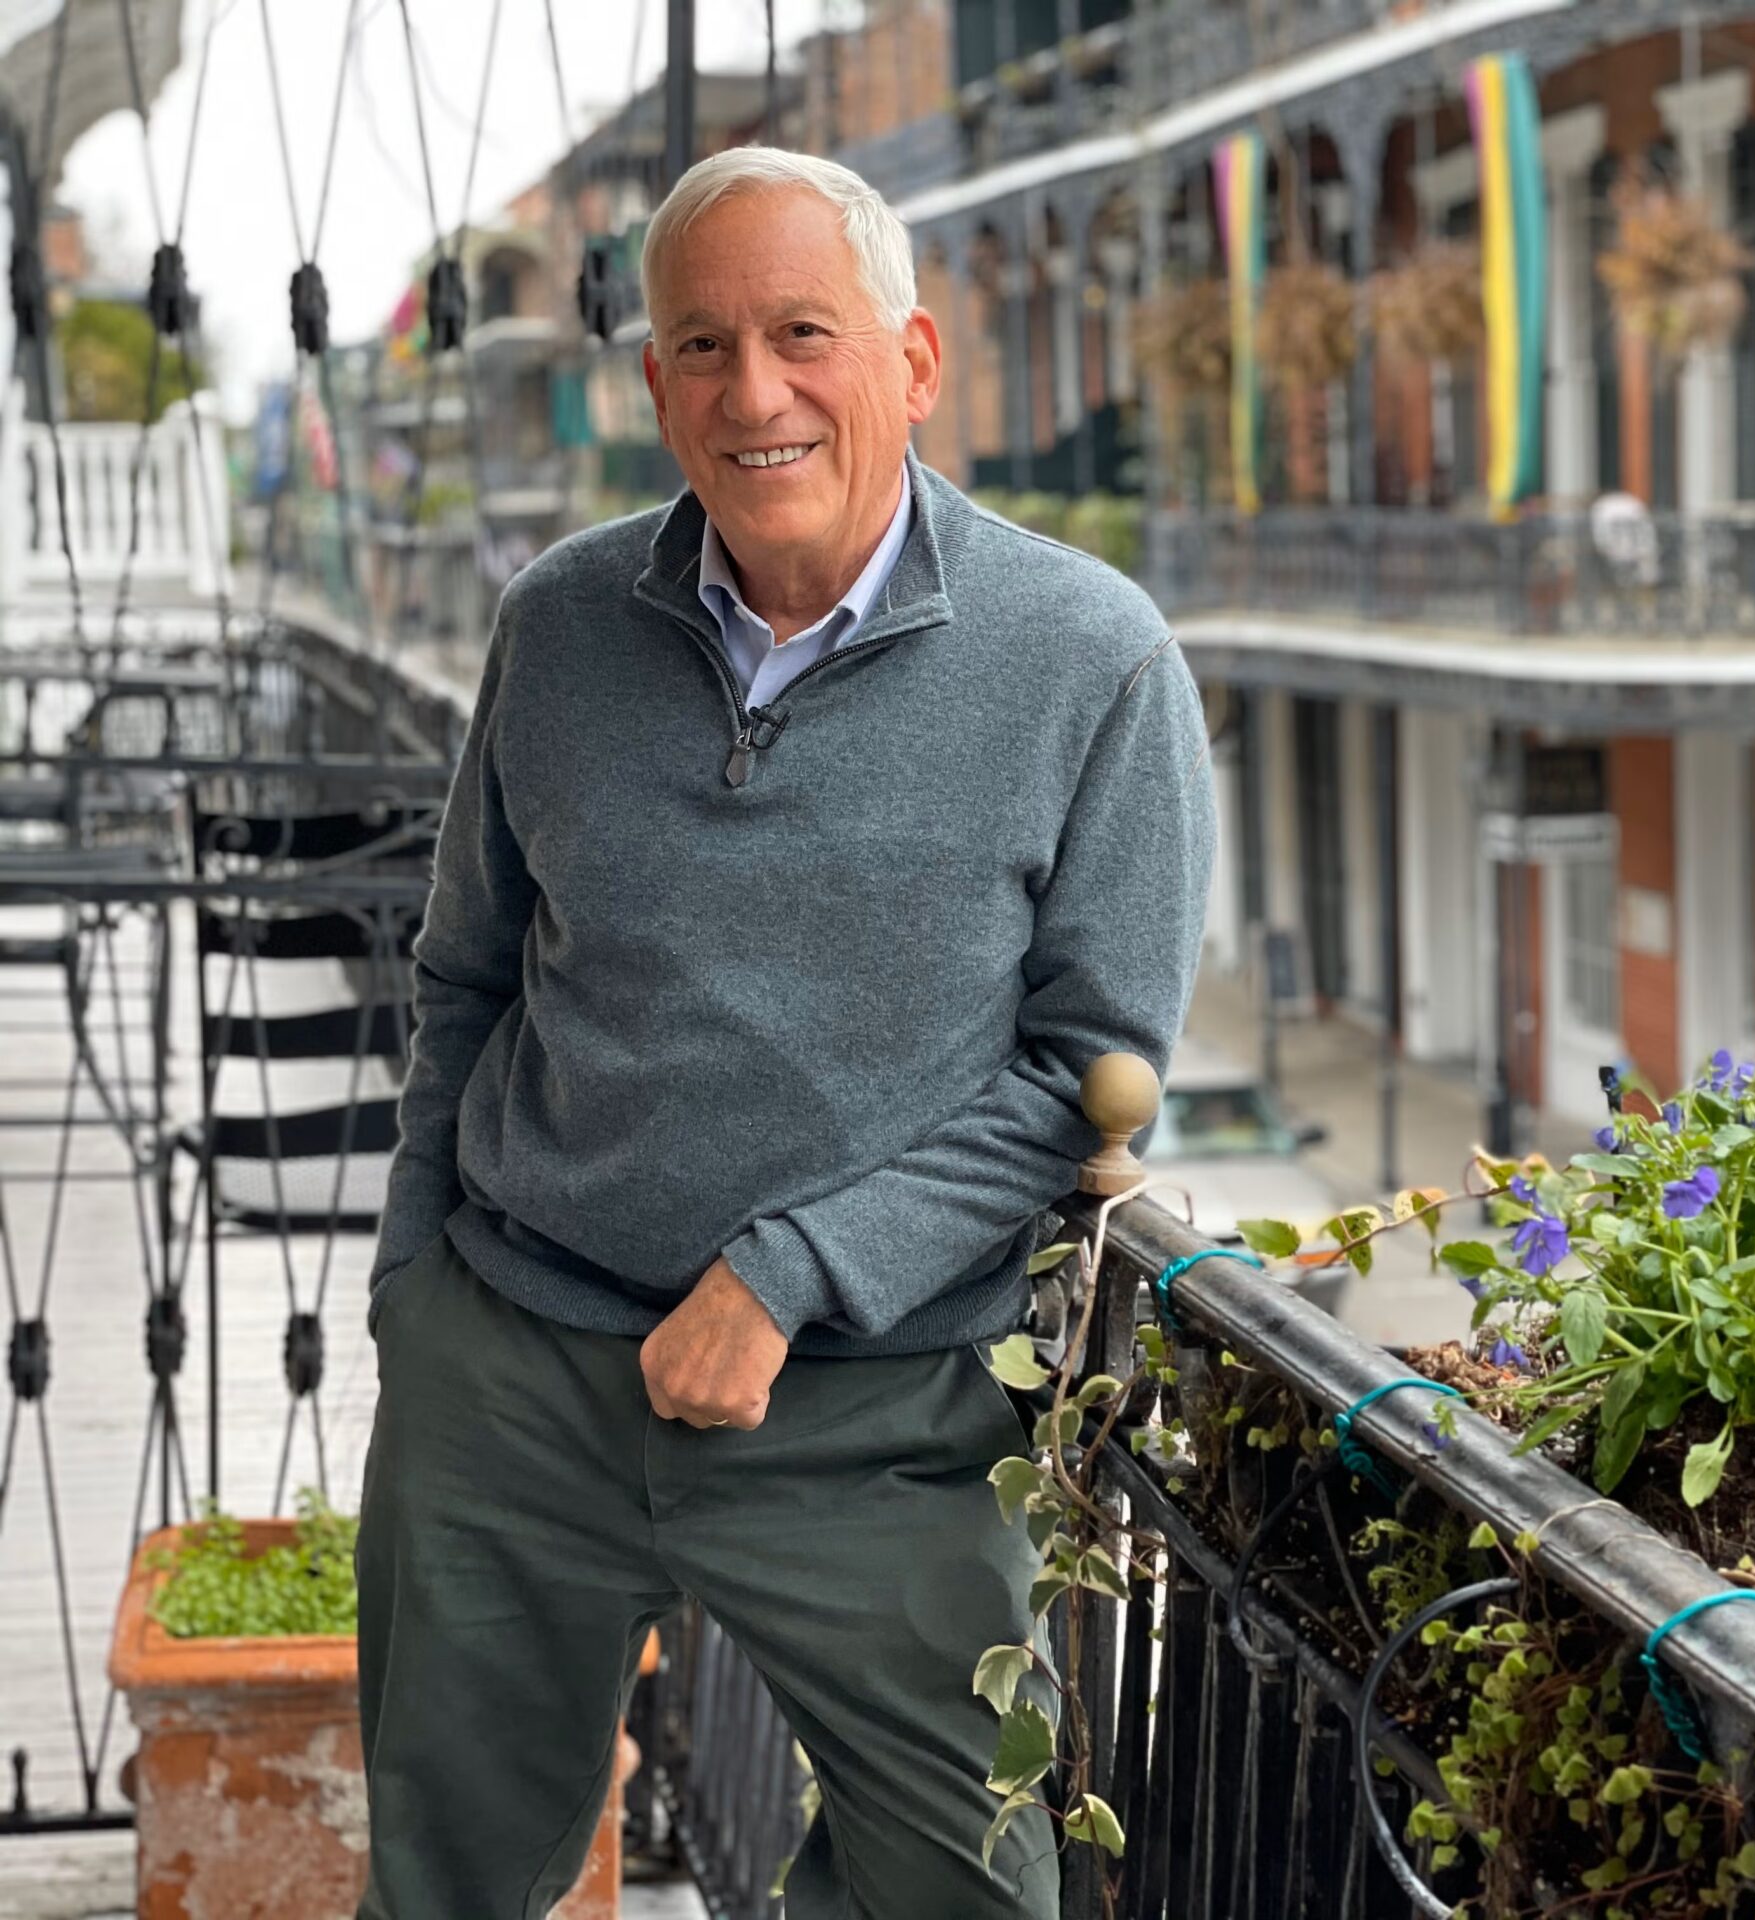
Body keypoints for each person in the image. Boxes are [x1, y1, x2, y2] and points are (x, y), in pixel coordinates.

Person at [355, 146, 1214, 1917]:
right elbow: (467, 979)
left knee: (967, 1892)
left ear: (910, 362)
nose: (756, 394)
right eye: (702, 345)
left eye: (802, 333)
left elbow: (1094, 1073)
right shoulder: (560, 621)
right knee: (444, 1887)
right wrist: (414, 1301)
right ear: (657, 381)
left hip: (877, 1409)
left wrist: (790, 1275)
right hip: (515, 1370)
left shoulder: (1093, 658)